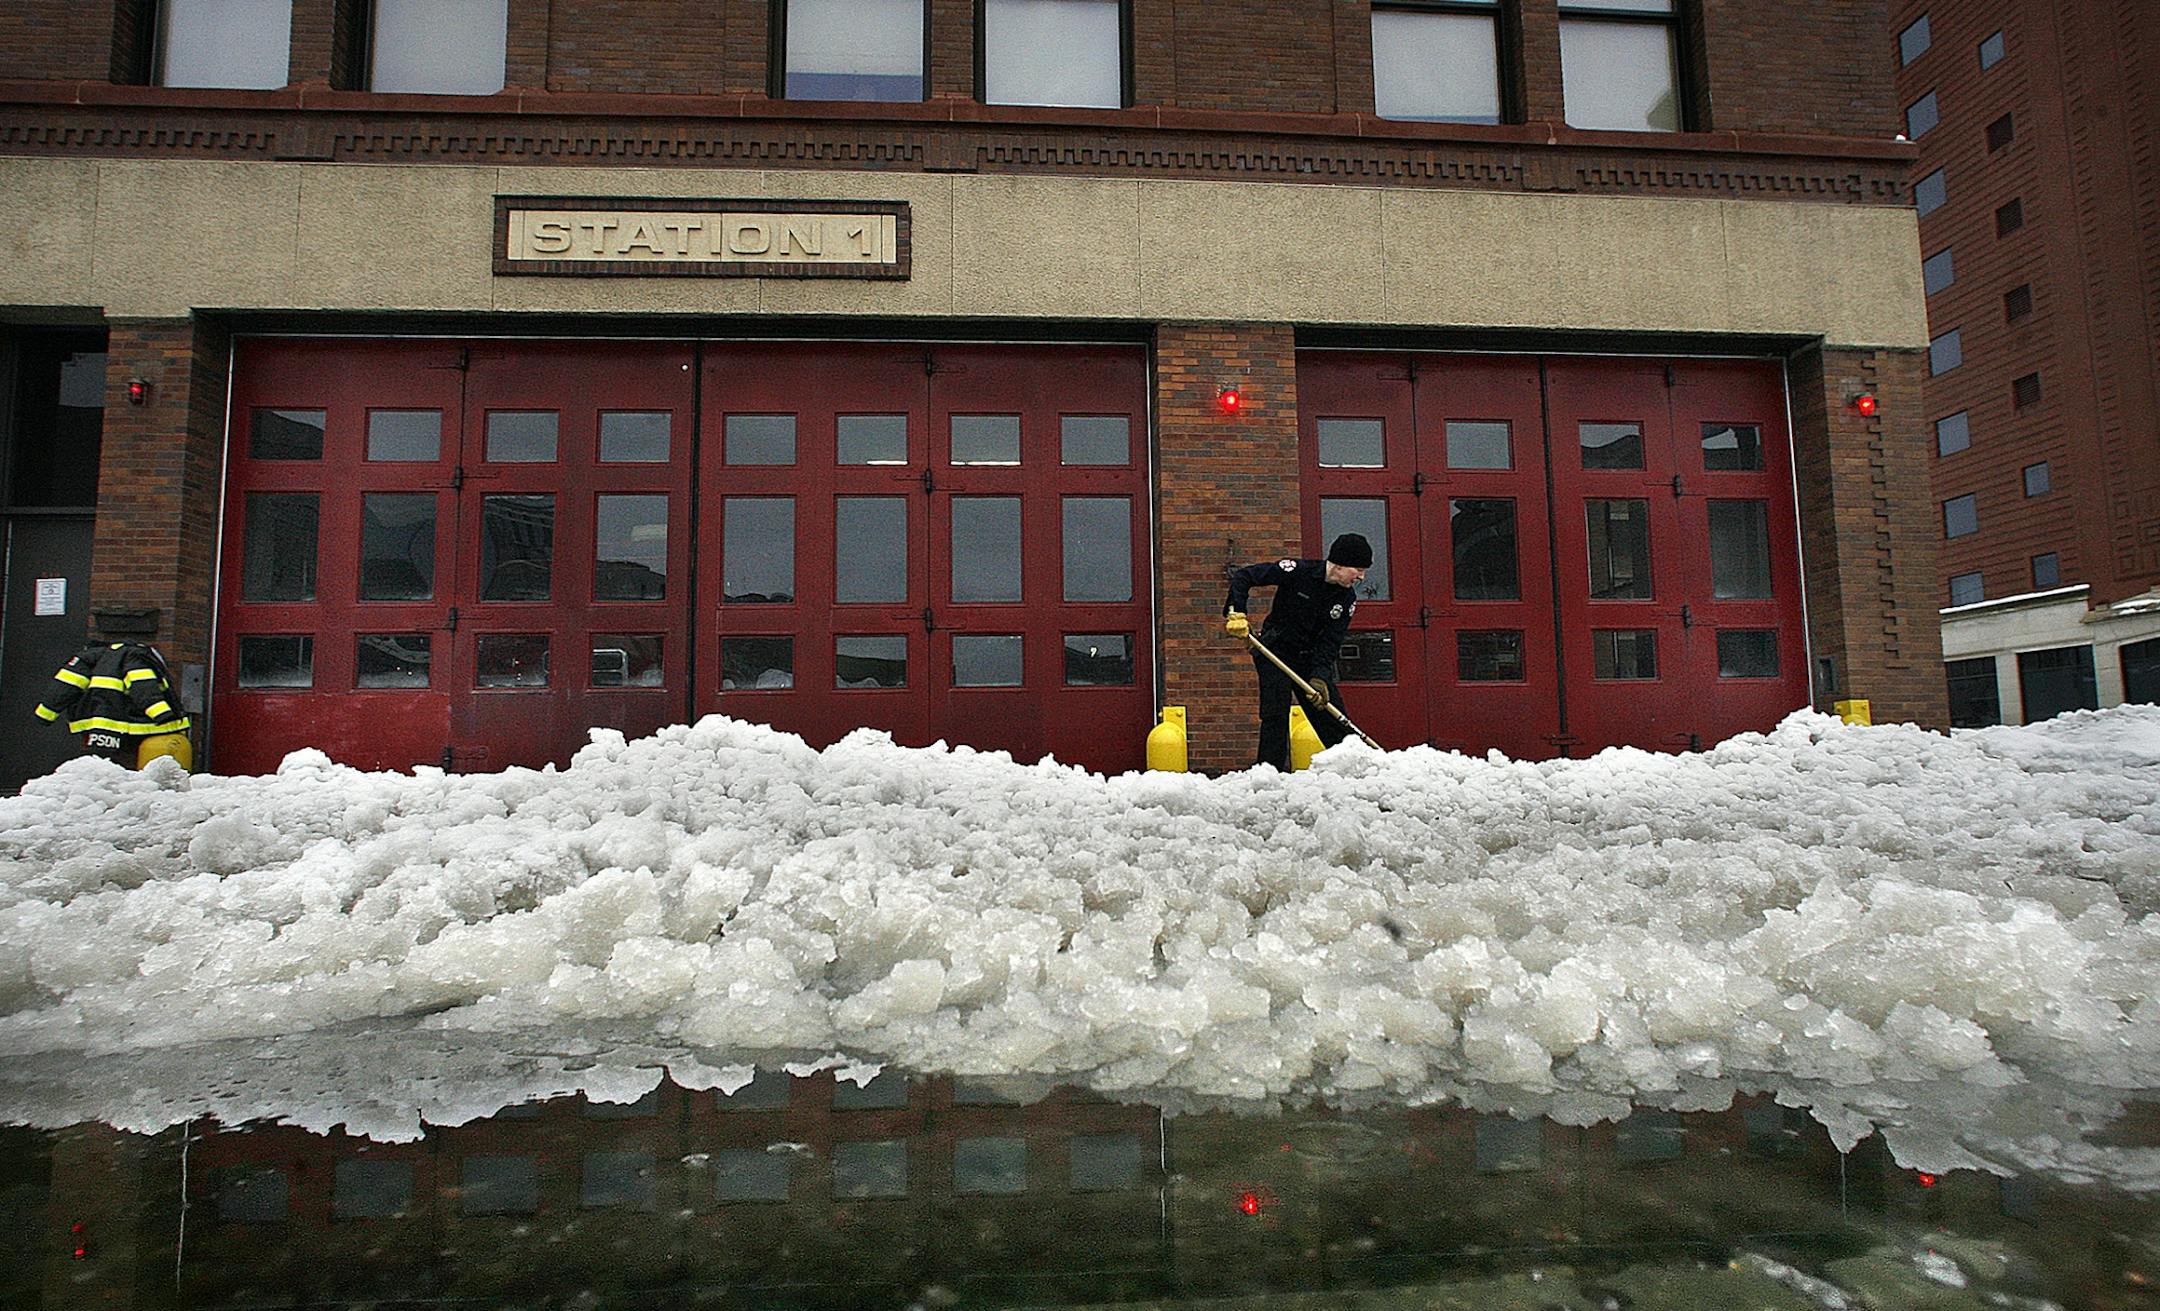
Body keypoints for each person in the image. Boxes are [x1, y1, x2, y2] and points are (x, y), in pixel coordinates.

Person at [1224, 533, 1371, 770]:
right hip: (1274, 653)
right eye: (1359, 569)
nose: (1362, 577)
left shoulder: (1346, 599)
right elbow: (1244, 576)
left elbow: (1330, 642)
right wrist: (1236, 612)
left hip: (1309, 661)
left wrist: (1320, 676)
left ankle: (1358, 770)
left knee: (1331, 714)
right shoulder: (1296, 571)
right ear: (1340, 564)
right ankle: (1269, 774)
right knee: (1275, 714)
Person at [35, 637, 192, 766]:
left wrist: (45, 714)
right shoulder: (135, 657)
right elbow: (143, 687)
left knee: (98, 768)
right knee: (126, 770)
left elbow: (63, 686)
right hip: (128, 728)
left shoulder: (88, 658)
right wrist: (162, 714)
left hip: (94, 729)